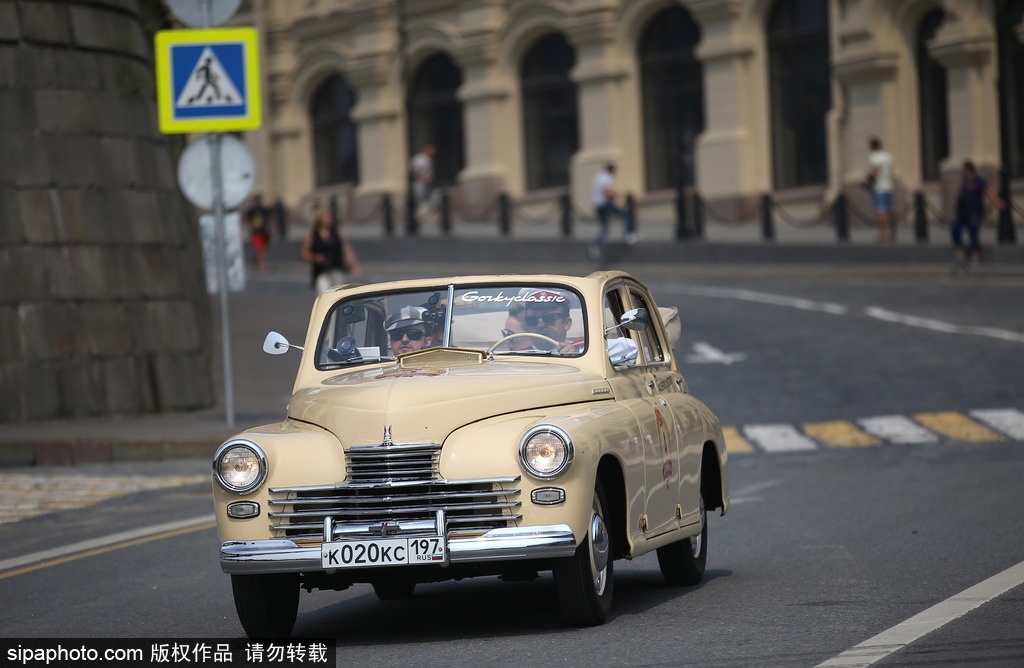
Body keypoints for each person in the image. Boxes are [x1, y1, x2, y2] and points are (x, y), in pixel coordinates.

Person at [952, 160, 1004, 266]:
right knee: (955, 230)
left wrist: (998, 202)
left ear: (969, 170)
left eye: (964, 170)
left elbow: (989, 191)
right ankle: (960, 254)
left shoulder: (978, 180)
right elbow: (960, 195)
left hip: (974, 212)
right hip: (963, 213)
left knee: (973, 232)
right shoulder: (964, 181)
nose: (963, 172)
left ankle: (976, 256)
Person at [301, 207, 362, 293]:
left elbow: (347, 249)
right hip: (321, 272)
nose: (328, 219)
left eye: (329, 217)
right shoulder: (313, 235)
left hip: (336, 269)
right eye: (325, 217)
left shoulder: (336, 233)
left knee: (337, 293)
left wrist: (354, 266)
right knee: (325, 292)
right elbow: (304, 254)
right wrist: (315, 257)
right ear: (319, 219)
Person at [590, 163, 637, 260]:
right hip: (605, 204)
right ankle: (629, 235)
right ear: (611, 170)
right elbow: (607, 191)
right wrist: (616, 196)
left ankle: (595, 247)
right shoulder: (606, 177)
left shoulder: (597, 177)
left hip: (598, 205)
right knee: (624, 213)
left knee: (604, 228)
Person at [522, 289, 580, 354]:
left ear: (567, 323)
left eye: (549, 317)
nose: (540, 325)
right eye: (532, 319)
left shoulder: (586, 352)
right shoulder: (516, 356)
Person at [867, 137, 896, 242]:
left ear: (872, 147)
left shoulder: (875, 157)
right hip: (889, 185)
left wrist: (869, 180)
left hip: (879, 187)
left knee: (881, 211)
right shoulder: (888, 156)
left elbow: (875, 172)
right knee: (891, 210)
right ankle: (893, 233)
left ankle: (883, 234)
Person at [244, 194, 272, 271]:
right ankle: (262, 264)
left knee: (260, 249)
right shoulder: (251, 210)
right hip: (256, 233)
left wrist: (270, 228)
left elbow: (269, 219)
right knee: (259, 250)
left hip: (264, 232)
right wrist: (251, 225)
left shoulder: (264, 210)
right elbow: (247, 220)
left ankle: (255, 264)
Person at [410, 143, 438, 215]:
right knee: (418, 201)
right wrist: (425, 178)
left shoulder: (430, 159)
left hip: (429, 185)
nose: (433, 152)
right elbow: (414, 171)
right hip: (419, 185)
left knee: (435, 200)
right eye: (432, 149)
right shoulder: (419, 158)